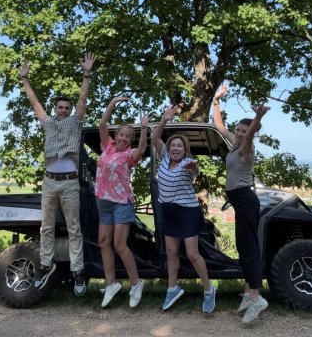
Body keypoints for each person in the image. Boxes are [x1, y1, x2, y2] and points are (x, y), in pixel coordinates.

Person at [18, 53, 96, 296]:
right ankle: (45, 265)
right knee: (46, 227)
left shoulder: (75, 123)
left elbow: (83, 99)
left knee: (74, 228)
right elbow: (34, 103)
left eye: (66, 108)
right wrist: (25, 79)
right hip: (50, 181)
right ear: (55, 109)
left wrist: (86, 74)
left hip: (70, 183)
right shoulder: (49, 123)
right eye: (60, 107)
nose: (63, 110)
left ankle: (78, 270)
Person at [212, 84, 270, 323]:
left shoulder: (246, 149)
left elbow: (252, 134)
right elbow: (219, 126)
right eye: (238, 130)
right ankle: (248, 293)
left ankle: (256, 298)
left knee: (248, 248)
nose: (239, 133)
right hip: (241, 202)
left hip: (246, 200)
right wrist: (216, 101)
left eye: (243, 131)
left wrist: (257, 118)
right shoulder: (234, 146)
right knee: (244, 246)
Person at [151, 105, 216, 313]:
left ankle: (209, 290)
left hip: (187, 212)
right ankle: (172, 289)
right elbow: (155, 137)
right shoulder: (164, 158)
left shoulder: (187, 162)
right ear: (169, 148)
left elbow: (194, 169)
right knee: (171, 252)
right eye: (173, 145)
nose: (176, 148)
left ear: (185, 149)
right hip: (169, 211)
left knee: (192, 253)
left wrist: (193, 167)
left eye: (179, 146)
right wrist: (164, 119)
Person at [95, 96, 149, 308]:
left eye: (128, 136)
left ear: (129, 140)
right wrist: (112, 103)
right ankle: (111, 284)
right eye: (121, 134)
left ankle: (136, 283)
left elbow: (142, 149)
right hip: (103, 202)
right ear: (115, 136)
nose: (124, 138)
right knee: (103, 242)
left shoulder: (129, 155)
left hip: (121, 203)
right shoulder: (107, 147)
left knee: (119, 244)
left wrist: (143, 128)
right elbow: (102, 124)